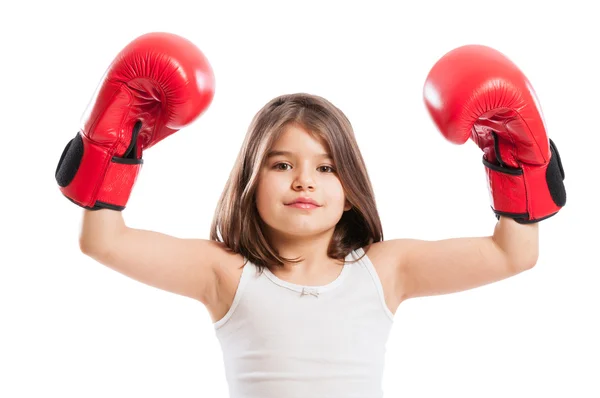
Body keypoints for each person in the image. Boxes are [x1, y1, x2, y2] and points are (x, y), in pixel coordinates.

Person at [55, 33, 566, 398]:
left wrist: (516, 162)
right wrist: (114, 143)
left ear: (350, 191)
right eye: (282, 164)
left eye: (325, 167)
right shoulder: (226, 273)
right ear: (251, 184)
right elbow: (105, 242)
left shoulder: (385, 271)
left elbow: (512, 253)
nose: (304, 181)